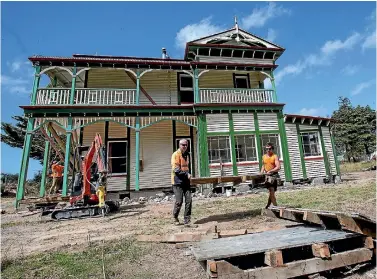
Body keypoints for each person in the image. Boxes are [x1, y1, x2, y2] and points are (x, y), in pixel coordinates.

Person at [171, 139, 192, 226]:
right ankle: (175, 216)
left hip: (186, 181)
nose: (185, 146)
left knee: (189, 200)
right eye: (183, 145)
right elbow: (176, 170)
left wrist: (189, 174)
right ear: (179, 145)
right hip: (177, 181)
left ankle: (186, 219)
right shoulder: (175, 155)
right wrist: (186, 174)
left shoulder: (187, 155)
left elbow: (187, 167)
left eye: (186, 145)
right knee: (179, 201)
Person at [260, 142, 281, 209]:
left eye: (269, 149)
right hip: (267, 176)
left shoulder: (275, 156)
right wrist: (261, 173)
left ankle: (268, 205)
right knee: (271, 190)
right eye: (266, 149)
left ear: (272, 149)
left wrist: (271, 171)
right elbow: (263, 165)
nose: (268, 150)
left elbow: (278, 167)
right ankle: (275, 206)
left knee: (272, 192)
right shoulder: (264, 157)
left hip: (274, 175)